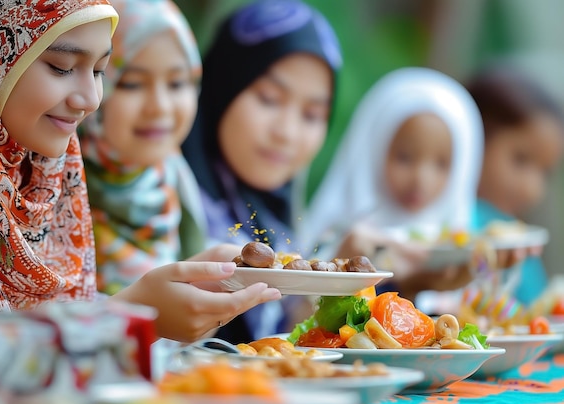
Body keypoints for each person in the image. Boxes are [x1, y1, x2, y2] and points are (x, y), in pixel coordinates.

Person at [0, 0, 280, 343]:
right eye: (61, 66)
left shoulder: (44, 178)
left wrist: (184, 289)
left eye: (99, 71)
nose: (90, 99)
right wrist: (132, 316)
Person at [181, 0, 342, 343]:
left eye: (311, 115)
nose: (287, 132)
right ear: (224, 85)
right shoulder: (160, 197)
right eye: (269, 98)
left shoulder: (276, 218)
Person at [300, 67, 485, 308]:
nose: (421, 179)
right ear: (373, 149)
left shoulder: (458, 247)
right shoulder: (336, 237)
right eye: (405, 157)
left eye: (441, 163)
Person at [79, 0, 207, 295]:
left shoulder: (172, 176)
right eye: (132, 84)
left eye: (176, 84)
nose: (159, 107)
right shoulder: (53, 187)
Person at [466, 65, 564, 305]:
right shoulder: (454, 228)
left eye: (545, 172)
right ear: (473, 137)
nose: (532, 189)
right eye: (520, 159)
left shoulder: (518, 239)